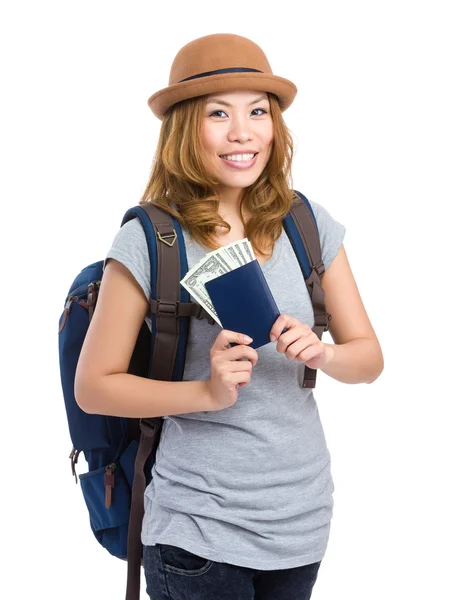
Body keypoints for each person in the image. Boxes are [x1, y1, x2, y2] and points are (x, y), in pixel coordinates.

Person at [74, 33, 384, 600]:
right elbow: (94, 388)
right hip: (198, 530)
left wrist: (325, 352)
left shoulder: (306, 223)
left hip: (302, 521)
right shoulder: (151, 239)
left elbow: (369, 359)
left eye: (257, 112)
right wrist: (207, 393)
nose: (243, 132)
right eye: (219, 113)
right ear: (185, 128)